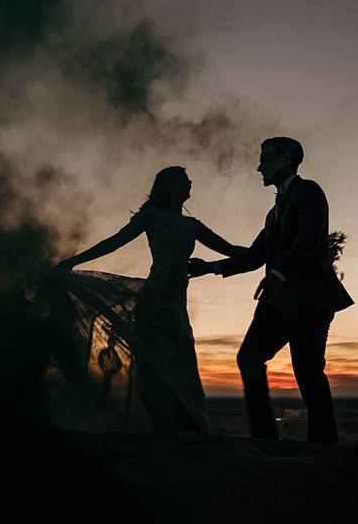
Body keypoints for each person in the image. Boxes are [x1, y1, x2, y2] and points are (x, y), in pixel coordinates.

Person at [56, 166, 246, 433]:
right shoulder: (152, 216)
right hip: (156, 299)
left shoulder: (192, 225)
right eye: (183, 179)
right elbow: (114, 242)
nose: (189, 183)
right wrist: (71, 262)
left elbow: (232, 251)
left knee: (182, 367)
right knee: (156, 367)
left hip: (178, 302)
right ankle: (157, 433)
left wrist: (272, 250)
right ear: (168, 185)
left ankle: (182, 431)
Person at [188, 137, 353, 444]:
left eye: (264, 159)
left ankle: (324, 447)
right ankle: (265, 439)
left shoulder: (309, 192)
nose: (259, 166)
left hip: (309, 303)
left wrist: (278, 274)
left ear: (286, 158)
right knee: (249, 358)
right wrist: (209, 267)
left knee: (308, 374)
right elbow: (254, 256)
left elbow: (309, 240)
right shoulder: (273, 212)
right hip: (277, 304)